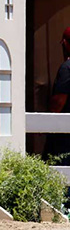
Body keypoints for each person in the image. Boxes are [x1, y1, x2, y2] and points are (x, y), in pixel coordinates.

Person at [44, 27, 70, 165]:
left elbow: (59, 101)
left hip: (64, 137)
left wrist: (46, 123)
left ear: (65, 44)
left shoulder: (67, 68)